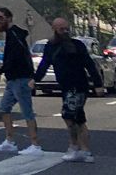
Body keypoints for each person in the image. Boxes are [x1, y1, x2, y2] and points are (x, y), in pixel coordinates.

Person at [33, 17, 103, 163]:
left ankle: (75, 147)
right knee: (78, 118)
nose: (65, 31)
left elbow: (89, 64)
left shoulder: (77, 45)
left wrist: (97, 84)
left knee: (69, 115)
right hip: (65, 87)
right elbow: (44, 64)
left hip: (78, 86)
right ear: (54, 29)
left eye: (66, 28)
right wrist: (35, 79)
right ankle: (84, 150)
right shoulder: (51, 46)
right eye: (61, 29)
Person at [0, 8, 42, 156]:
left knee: (27, 111)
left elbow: (14, 57)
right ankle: (10, 141)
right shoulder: (11, 34)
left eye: (0, 18)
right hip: (13, 79)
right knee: (4, 108)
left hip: (21, 79)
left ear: (9, 18)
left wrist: (0, 72)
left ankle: (35, 145)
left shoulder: (14, 34)